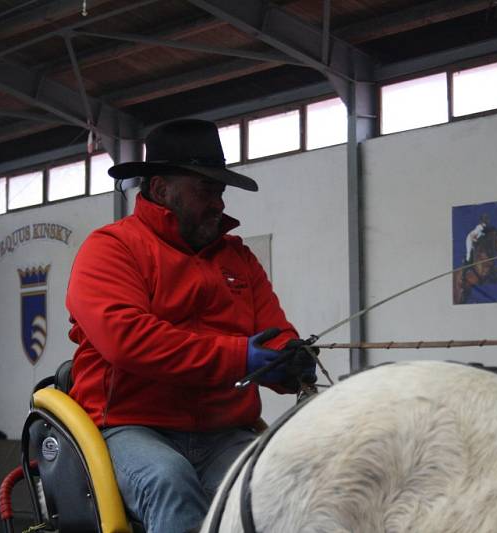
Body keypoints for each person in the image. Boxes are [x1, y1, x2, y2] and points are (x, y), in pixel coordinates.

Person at [65, 119, 316, 533]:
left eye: (220, 191)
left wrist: (290, 360)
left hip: (223, 432)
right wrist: (240, 357)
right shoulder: (110, 249)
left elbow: (275, 331)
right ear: (162, 190)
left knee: (280, 486)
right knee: (169, 480)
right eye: (206, 190)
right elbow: (128, 341)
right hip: (130, 427)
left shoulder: (240, 259)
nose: (219, 203)